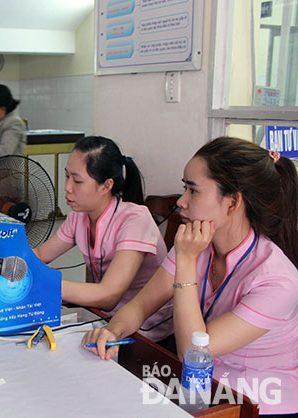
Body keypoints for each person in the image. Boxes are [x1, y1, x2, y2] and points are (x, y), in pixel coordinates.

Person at [84, 137, 298, 417]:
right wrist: (112, 332)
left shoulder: (278, 280)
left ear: (232, 202)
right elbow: (139, 306)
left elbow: (193, 353)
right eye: (184, 188)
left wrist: (185, 260)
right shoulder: (198, 244)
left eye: (193, 191)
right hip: (201, 391)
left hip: (259, 403)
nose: (181, 202)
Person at [34, 136, 173, 341]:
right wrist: (4, 264)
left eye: (77, 180)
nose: (67, 187)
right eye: (66, 177)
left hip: (144, 327)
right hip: (105, 317)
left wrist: (42, 282)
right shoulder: (79, 217)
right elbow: (39, 255)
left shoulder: (135, 220)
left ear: (106, 185)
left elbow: (108, 295)